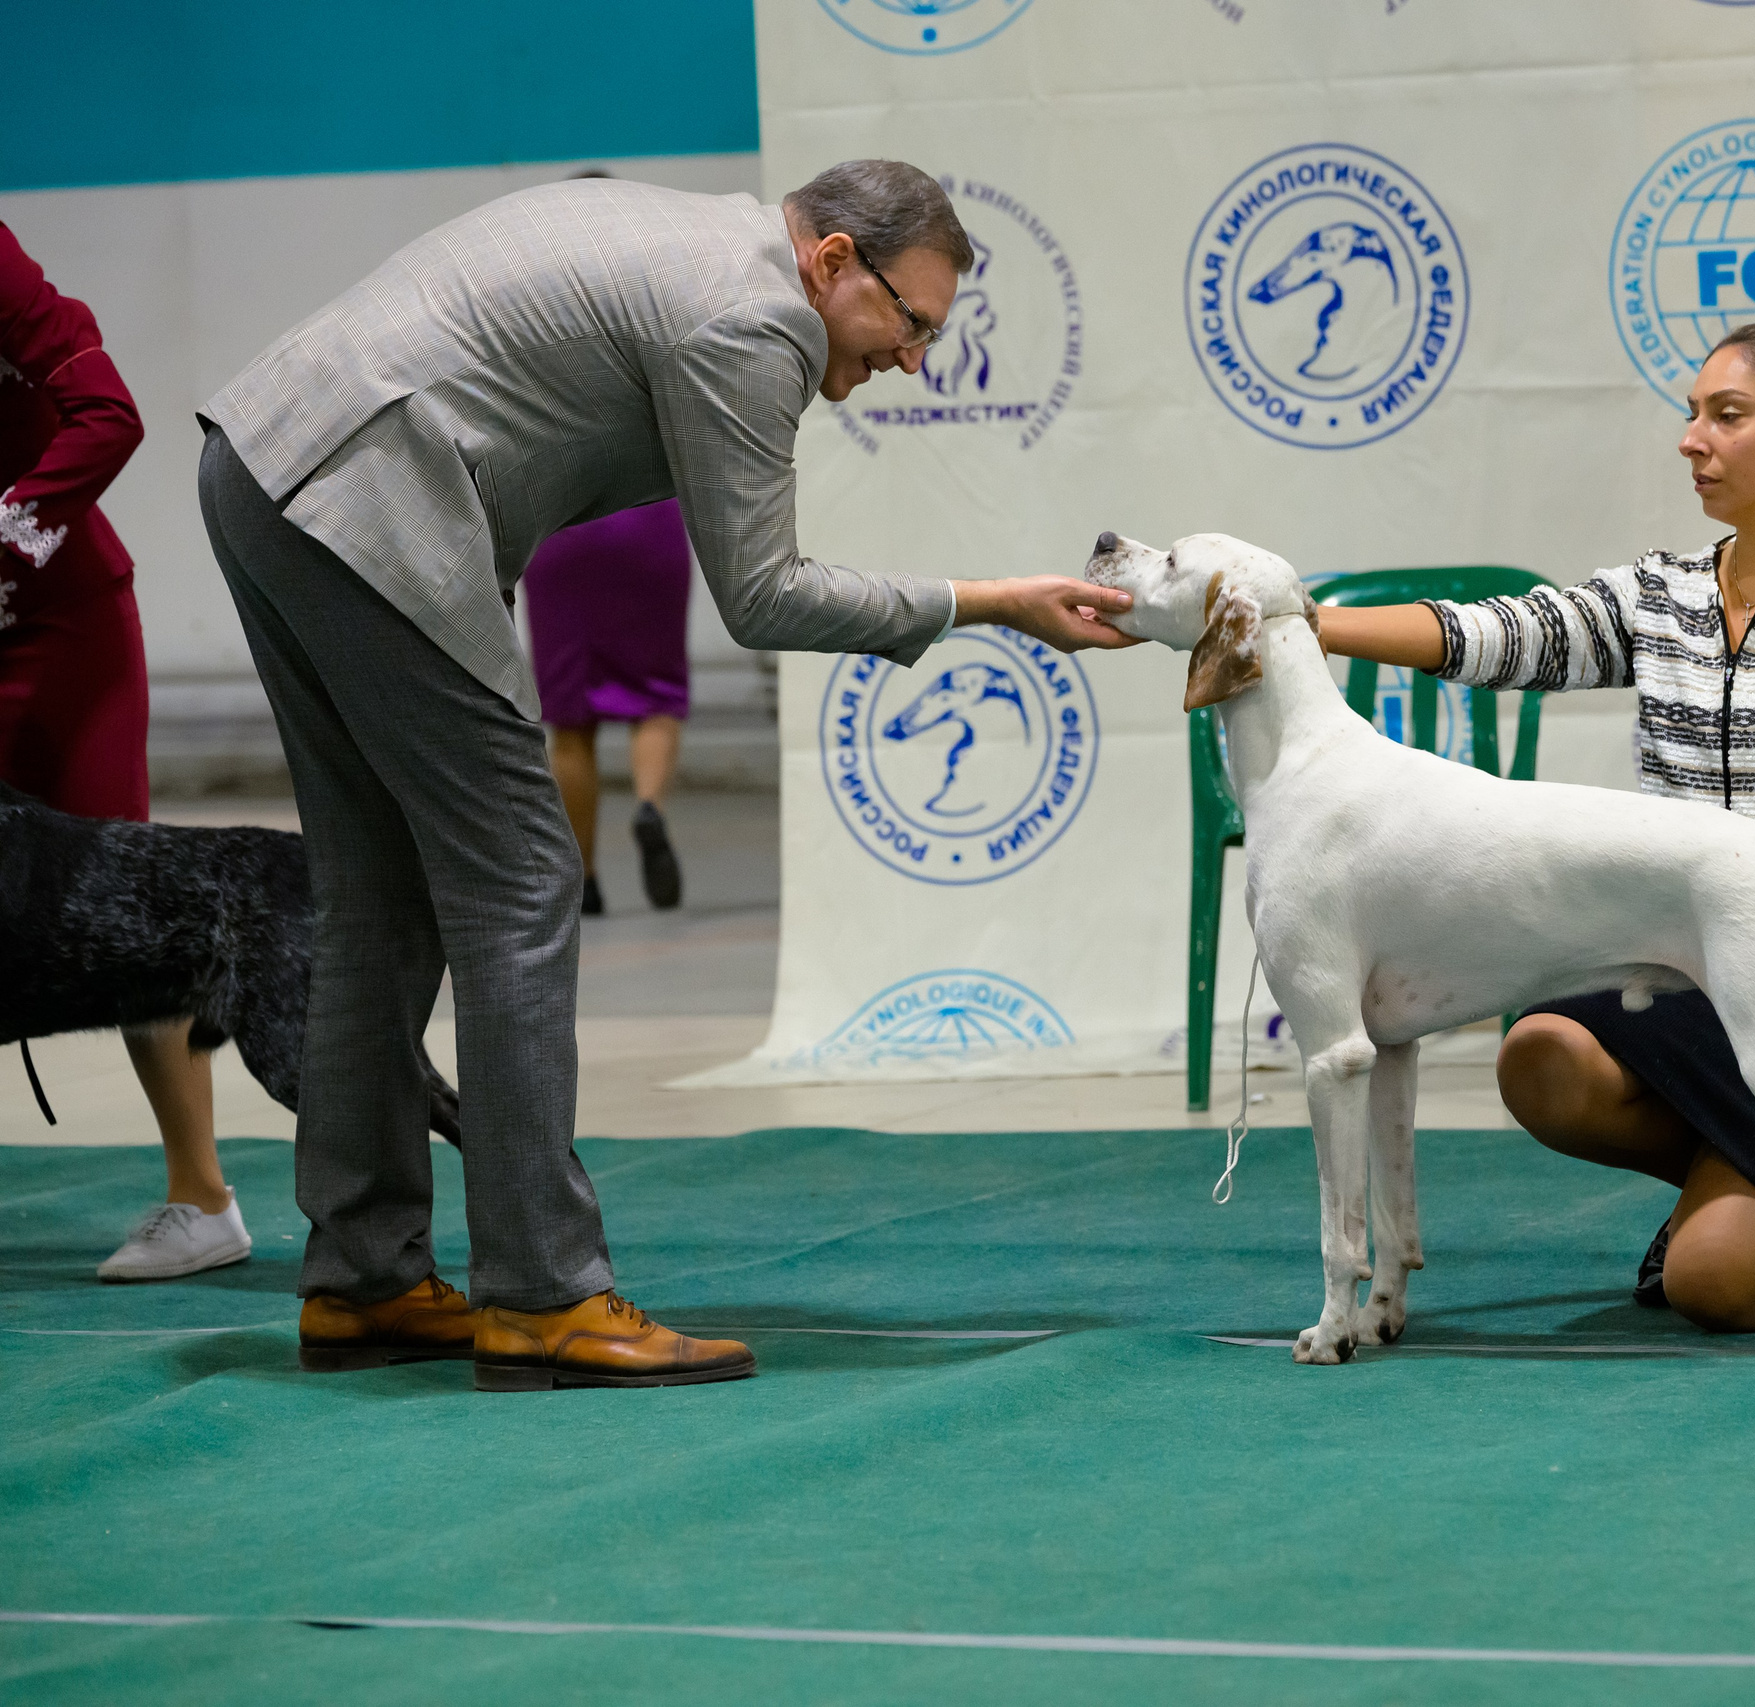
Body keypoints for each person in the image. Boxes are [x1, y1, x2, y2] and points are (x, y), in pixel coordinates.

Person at [197, 162, 1135, 1390]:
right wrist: (993, 604)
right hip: (359, 501)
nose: (913, 360)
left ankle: (365, 1279)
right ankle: (542, 1296)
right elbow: (762, 593)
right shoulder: (756, 319)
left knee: (381, 891)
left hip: (264, 466)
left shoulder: (703, 242)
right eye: (909, 323)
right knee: (524, 879)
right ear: (835, 261)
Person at [1316, 320, 1755, 1332]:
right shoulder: (1661, 592)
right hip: (1676, 969)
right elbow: (1502, 636)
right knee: (1538, 1057)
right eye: (1691, 415)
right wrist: (1297, 619)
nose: (1693, 439)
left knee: (1715, 1285)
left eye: (1727, 416)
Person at [0, 223, 256, 1283]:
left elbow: (111, 415)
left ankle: (203, 1200)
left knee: (130, 898)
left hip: (64, 634)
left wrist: (8, 527)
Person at [521, 499, 695, 915]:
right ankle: (649, 807)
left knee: (571, 721)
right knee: (657, 697)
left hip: (561, 528)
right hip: (648, 527)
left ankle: (586, 881)